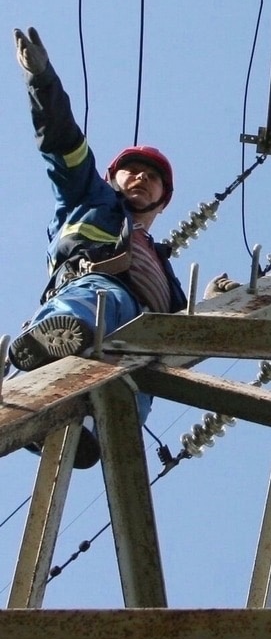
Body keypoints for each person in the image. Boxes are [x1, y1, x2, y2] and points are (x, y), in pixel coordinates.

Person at [9, 27, 187, 467]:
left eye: (152, 177)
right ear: (112, 178)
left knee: (133, 380)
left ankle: (90, 426)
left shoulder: (162, 267)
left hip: (145, 326)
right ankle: (47, 350)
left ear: (162, 200)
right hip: (95, 286)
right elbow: (63, 143)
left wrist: (218, 304)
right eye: (132, 171)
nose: (141, 178)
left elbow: (183, 327)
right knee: (91, 303)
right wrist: (42, 80)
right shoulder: (91, 198)